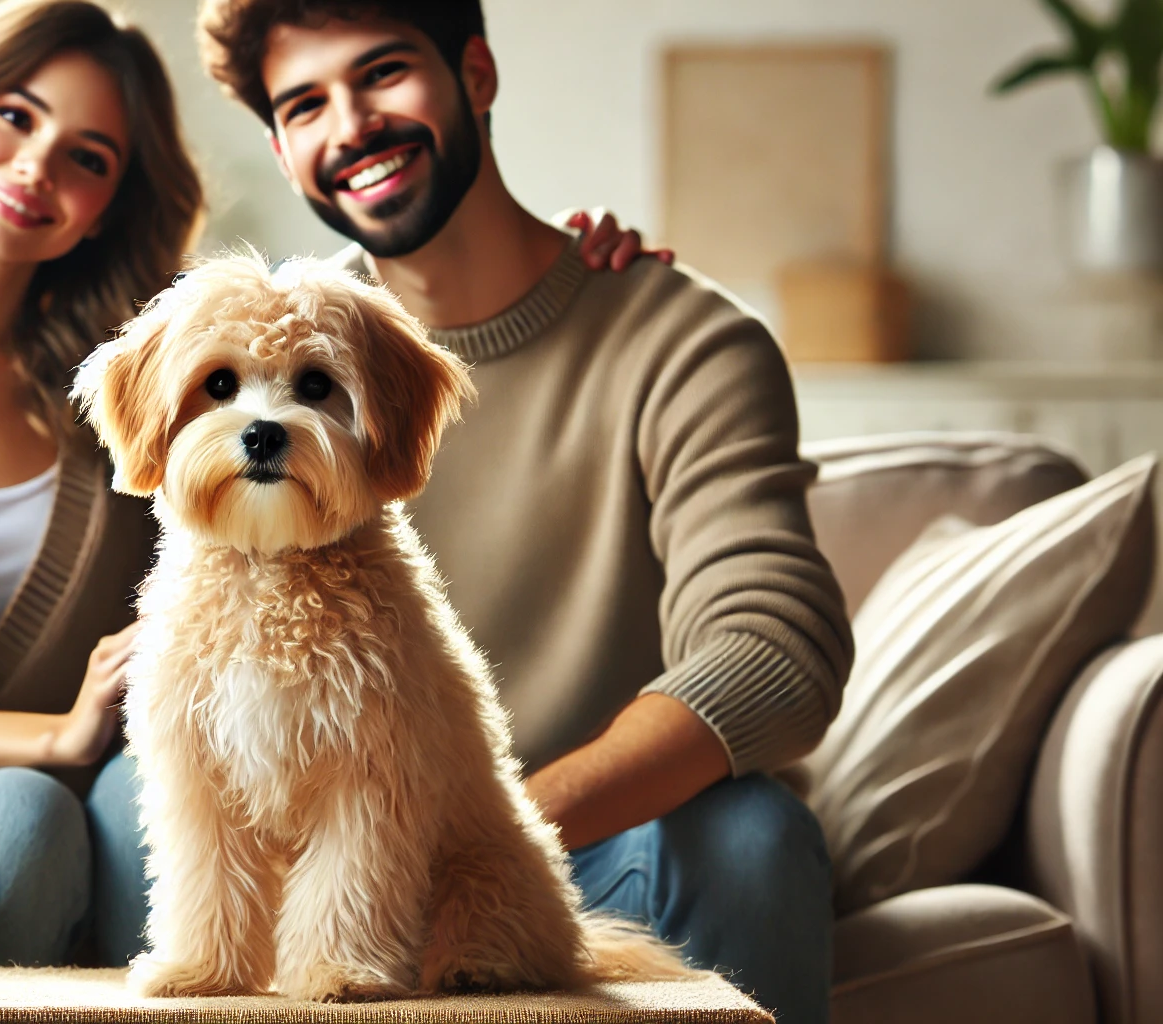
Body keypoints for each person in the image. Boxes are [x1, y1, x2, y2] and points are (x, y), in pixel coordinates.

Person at [0, 2, 649, 1022]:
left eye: (89, 156)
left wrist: (571, 270)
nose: (35, 166)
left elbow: (309, 463)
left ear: (113, 202)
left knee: (33, 815)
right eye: (14, 114)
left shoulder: (114, 415)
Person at [193, 3, 855, 1023]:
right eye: (306, 104)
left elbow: (774, 653)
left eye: (382, 73)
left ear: (477, 73)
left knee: (753, 834)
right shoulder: (263, 361)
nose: (352, 123)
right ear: (283, 153)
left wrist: (483, 830)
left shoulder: (682, 343)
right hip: (314, 863)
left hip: (578, 848)